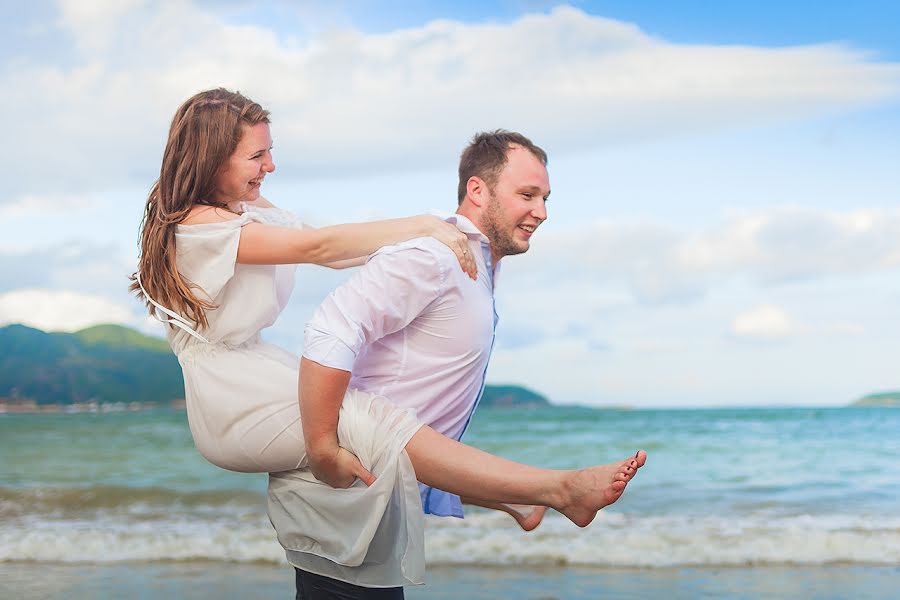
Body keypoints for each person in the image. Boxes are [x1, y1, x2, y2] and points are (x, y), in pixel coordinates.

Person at [131, 89, 645, 598]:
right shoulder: (200, 226)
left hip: (255, 370)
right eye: (257, 155)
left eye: (270, 151)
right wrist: (424, 227)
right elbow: (318, 248)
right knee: (363, 421)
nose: (270, 166)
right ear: (213, 157)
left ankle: (514, 499)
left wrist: (424, 240)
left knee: (367, 420)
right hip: (229, 395)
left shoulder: (244, 208)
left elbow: (332, 252)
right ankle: (554, 489)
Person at [271, 130, 646, 598]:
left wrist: (500, 497)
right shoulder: (434, 255)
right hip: (344, 496)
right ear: (477, 190)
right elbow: (333, 326)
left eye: (546, 198)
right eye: (527, 195)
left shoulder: (481, 267)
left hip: (377, 501)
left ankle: (526, 496)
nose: (542, 212)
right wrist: (322, 445)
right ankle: (557, 490)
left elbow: (411, 405)